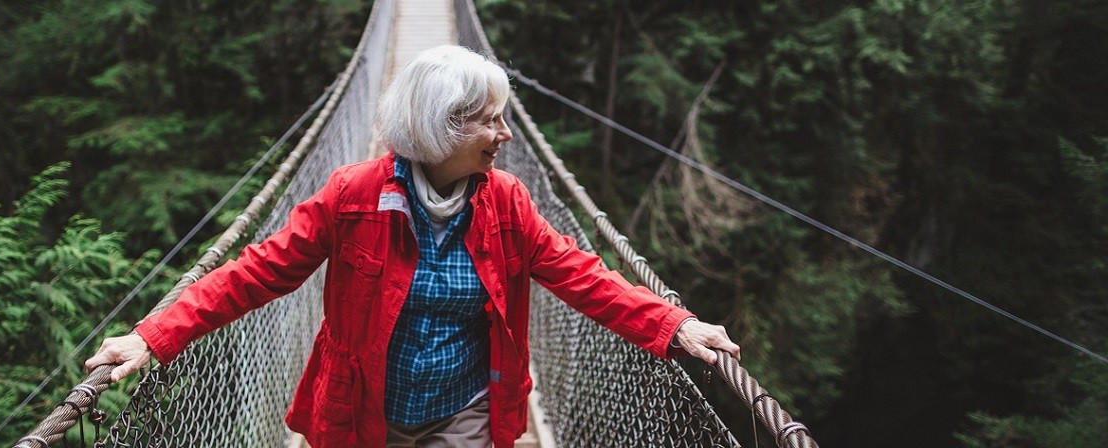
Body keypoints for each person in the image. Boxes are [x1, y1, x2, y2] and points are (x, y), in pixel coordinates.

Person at [85, 45, 740, 448]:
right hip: (363, 416)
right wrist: (154, 336)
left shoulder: (506, 201)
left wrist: (672, 324)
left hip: (466, 411)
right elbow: (257, 273)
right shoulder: (353, 196)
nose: (505, 135)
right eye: (491, 121)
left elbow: (580, 273)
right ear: (441, 127)